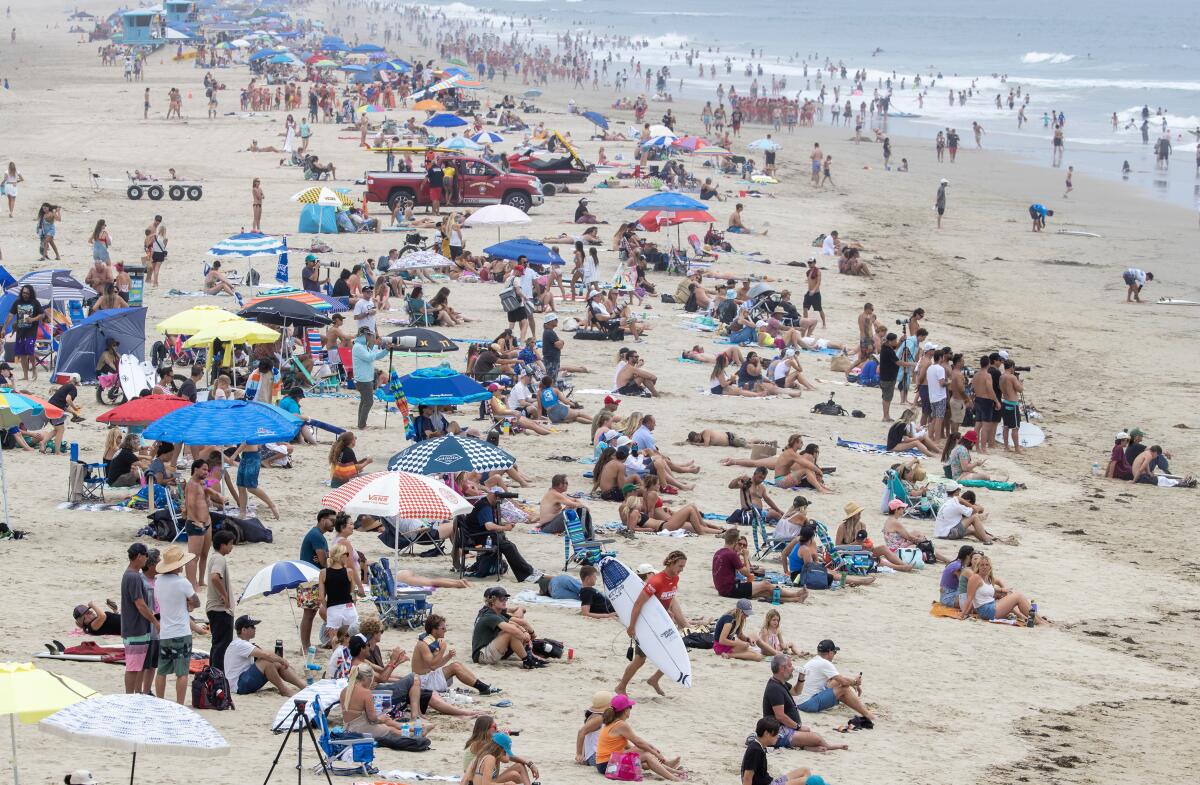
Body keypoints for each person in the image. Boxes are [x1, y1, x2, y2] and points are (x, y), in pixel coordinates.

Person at [614, 551, 692, 696]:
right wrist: (631, 626)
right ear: (672, 563)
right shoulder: (655, 581)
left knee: (675, 652)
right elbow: (638, 604)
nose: (682, 569)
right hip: (648, 626)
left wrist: (667, 612)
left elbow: (664, 599)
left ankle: (654, 679)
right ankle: (621, 687)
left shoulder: (675, 578)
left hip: (663, 625)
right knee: (640, 660)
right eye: (680, 566)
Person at [594, 694, 686, 781]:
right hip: (607, 766)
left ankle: (671, 769)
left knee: (643, 753)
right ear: (626, 710)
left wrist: (651, 749)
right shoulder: (620, 725)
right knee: (646, 755)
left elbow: (635, 746)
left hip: (604, 764)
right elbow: (638, 742)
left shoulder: (613, 723)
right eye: (630, 707)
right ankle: (674, 778)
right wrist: (655, 753)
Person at [413, 613, 501, 696]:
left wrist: (448, 656)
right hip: (422, 682)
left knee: (456, 665)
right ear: (434, 630)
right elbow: (432, 665)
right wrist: (443, 649)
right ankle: (483, 688)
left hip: (428, 677)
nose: (445, 630)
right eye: (443, 628)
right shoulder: (423, 644)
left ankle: (483, 687)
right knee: (455, 667)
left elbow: (435, 665)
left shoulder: (432, 640)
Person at [153, 546, 199, 704]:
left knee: (162, 670)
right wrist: (189, 604)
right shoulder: (182, 582)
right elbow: (196, 601)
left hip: (165, 631)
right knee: (182, 672)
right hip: (181, 631)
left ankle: (160, 701)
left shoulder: (158, 582)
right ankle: (179, 704)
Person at [713, 528, 808, 602]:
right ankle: (795, 594)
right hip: (731, 589)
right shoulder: (731, 554)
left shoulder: (718, 552)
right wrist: (746, 556)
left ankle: (795, 599)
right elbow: (747, 573)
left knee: (765, 593)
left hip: (723, 589)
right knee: (765, 584)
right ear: (735, 541)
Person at [796, 640, 875, 724]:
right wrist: (855, 682)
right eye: (835, 652)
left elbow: (837, 680)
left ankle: (860, 707)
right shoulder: (825, 663)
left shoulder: (814, 661)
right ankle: (867, 714)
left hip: (801, 702)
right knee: (844, 689)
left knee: (837, 683)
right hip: (808, 704)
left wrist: (853, 683)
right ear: (830, 652)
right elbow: (844, 682)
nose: (834, 655)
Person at [223, 615, 305, 696]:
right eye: (252, 627)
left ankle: (302, 685)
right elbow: (266, 655)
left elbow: (267, 655)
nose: (255, 629)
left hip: (243, 680)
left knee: (274, 662)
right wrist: (282, 660)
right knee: (267, 661)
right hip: (238, 686)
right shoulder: (239, 644)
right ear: (244, 630)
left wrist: (280, 662)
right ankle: (284, 690)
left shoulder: (243, 644)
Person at [470, 586, 548, 669]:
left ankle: (530, 658)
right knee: (511, 633)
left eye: (505, 599)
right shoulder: (489, 615)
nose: (504, 601)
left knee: (514, 631)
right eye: (501, 599)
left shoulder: (496, 613)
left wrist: (524, 632)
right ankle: (527, 660)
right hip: (481, 656)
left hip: (489, 650)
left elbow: (514, 624)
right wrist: (526, 638)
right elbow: (513, 629)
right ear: (492, 601)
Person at [120, 543, 159, 694]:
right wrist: (155, 622)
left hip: (133, 627)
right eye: (145, 555)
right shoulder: (134, 576)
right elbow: (140, 604)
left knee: (136, 666)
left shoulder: (130, 575)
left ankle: (133, 695)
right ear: (139, 556)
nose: (146, 559)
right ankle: (130, 697)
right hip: (136, 628)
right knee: (134, 666)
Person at [742, 718, 826, 785]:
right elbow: (747, 778)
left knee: (805, 770)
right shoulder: (755, 750)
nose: (778, 737)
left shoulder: (760, 746)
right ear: (767, 733)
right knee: (809, 780)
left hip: (772, 782)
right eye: (776, 734)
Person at [961, 554, 1039, 623]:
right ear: (978, 567)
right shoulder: (975, 578)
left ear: (990, 567)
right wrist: (963, 614)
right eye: (982, 565)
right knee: (1018, 596)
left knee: (1011, 596)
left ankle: (1039, 620)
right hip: (986, 611)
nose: (984, 567)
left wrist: (1004, 592)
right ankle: (1037, 621)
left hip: (991, 606)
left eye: (987, 565)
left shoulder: (988, 578)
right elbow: (970, 598)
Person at [299, 509, 336, 650]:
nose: (334, 524)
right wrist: (328, 559)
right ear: (322, 520)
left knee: (310, 613)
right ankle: (305, 646)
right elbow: (323, 561)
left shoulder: (316, 535)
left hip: (311, 578)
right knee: (309, 614)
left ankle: (306, 645)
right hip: (311, 579)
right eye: (332, 521)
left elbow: (322, 558)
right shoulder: (317, 536)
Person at [205, 530, 236, 671]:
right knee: (223, 645)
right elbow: (214, 577)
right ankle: (217, 674)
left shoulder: (214, 557)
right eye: (230, 544)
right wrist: (224, 596)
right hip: (220, 609)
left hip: (215, 609)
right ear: (223, 545)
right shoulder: (219, 559)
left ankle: (213, 673)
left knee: (217, 644)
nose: (232, 547)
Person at [4, 285, 45, 381]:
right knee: (22, 354)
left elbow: (42, 315)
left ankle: (34, 368)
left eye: (27, 293)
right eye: (23, 292)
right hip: (20, 331)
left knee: (29, 349)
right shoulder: (17, 302)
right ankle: (25, 376)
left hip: (31, 331)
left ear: (30, 293)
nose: (25, 295)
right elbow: (10, 315)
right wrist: (4, 328)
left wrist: (33, 319)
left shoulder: (35, 302)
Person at [352, 328, 389, 429]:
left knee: (364, 401)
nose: (370, 337)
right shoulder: (358, 347)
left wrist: (386, 350)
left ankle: (360, 424)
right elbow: (370, 358)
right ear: (363, 335)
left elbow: (375, 357)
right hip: (363, 379)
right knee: (368, 402)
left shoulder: (363, 346)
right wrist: (376, 344)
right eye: (369, 335)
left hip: (365, 378)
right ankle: (361, 425)